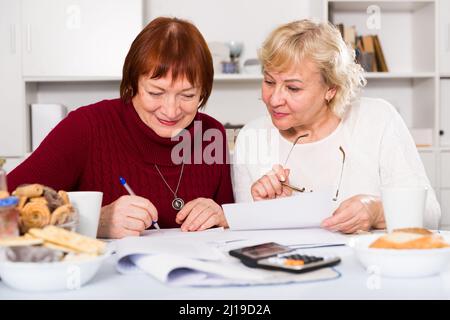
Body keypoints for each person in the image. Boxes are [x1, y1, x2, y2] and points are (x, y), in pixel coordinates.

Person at [8, 17, 234, 238]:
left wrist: (223, 216)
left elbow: (234, 233)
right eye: (156, 93)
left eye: (187, 95)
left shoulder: (212, 135)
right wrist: (92, 221)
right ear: (132, 83)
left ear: (203, 92)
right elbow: (4, 206)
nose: (171, 110)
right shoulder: (85, 127)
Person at [232, 19, 440, 233]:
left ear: (331, 88)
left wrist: (377, 211)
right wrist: (265, 214)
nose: (274, 99)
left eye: (293, 88)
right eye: (269, 81)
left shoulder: (378, 119)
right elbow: (247, 241)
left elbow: (430, 213)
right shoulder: (252, 136)